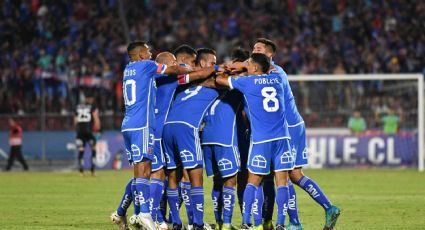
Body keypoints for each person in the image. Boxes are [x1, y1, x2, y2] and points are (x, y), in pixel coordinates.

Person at [110, 51, 215, 230]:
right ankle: (151, 217)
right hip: (156, 131)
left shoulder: (148, 78)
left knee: (143, 173)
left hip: (141, 126)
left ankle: (123, 212)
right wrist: (216, 68)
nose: (177, 65)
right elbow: (197, 74)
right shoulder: (171, 79)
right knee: (157, 174)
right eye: (174, 62)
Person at [252, 38, 341, 230]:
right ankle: (329, 208)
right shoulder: (264, 71)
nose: (254, 52)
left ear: (269, 55)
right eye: (253, 48)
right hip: (292, 125)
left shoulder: (274, 72)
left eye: (258, 49)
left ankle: (295, 222)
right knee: (295, 174)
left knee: (284, 174)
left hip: (288, 128)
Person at [216, 53, 294, 230]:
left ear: (256, 68)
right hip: (282, 138)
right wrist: (248, 65)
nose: (246, 66)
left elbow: (221, 80)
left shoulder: (247, 82)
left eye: (249, 64)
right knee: (282, 182)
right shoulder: (278, 79)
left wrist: (233, 68)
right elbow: (270, 68)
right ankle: (281, 223)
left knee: (253, 181)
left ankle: (245, 222)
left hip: (261, 140)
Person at [163, 48, 220, 230]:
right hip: (186, 128)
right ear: (203, 63)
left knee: (174, 175)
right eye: (212, 62)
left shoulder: (182, 84)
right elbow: (224, 79)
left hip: (167, 127)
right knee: (196, 177)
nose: (213, 66)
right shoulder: (212, 82)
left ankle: (176, 222)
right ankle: (197, 223)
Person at [201, 48, 249, 230]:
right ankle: (228, 224)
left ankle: (220, 223)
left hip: (207, 135)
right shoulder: (239, 85)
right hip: (225, 138)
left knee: (218, 180)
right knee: (232, 180)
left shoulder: (215, 82)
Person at [74, 93, 100, 176]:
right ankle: (93, 170)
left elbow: (75, 121)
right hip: (89, 131)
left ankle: (81, 171)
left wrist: (77, 129)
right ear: (89, 99)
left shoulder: (77, 107)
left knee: (81, 150)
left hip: (80, 132)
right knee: (93, 149)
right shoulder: (92, 107)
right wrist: (98, 127)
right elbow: (95, 118)